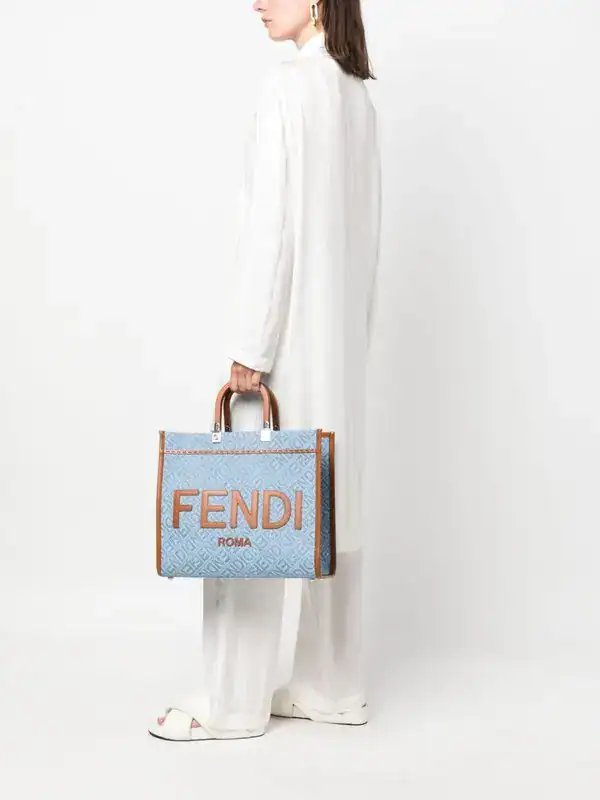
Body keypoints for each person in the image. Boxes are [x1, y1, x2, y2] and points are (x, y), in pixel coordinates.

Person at [148, 0, 381, 741]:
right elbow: (367, 241)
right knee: (329, 509)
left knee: (250, 511)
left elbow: (270, 227)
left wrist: (251, 344)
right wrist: (349, 342)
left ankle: (232, 703)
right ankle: (331, 686)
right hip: (339, 349)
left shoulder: (289, 85)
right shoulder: (358, 99)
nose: (256, 1)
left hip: (285, 343)